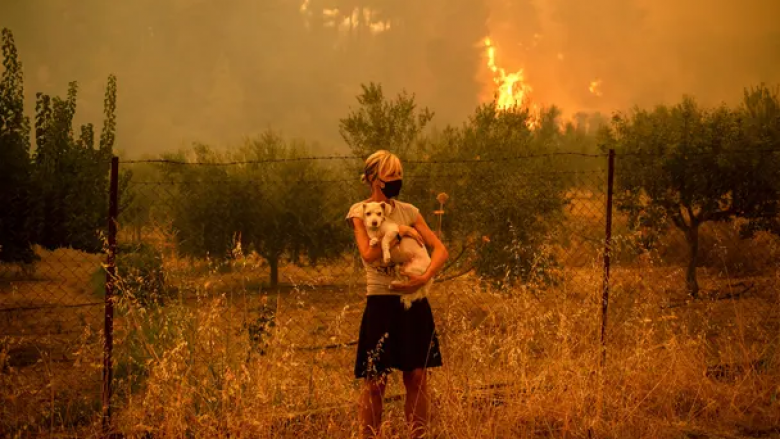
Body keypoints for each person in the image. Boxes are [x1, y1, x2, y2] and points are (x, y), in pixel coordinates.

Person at [346, 150, 449, 438]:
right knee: (375, 380)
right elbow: (368, 253)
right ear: (371, 179)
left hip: (414, 300)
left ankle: (419, 434)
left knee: (417, 376)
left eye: (398, 176)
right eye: (390, 176)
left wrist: (423, 278)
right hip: (380, 300)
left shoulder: (410, 211)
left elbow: (440, 251)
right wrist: (399, 231)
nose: (396, 182)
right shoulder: (360, 211)